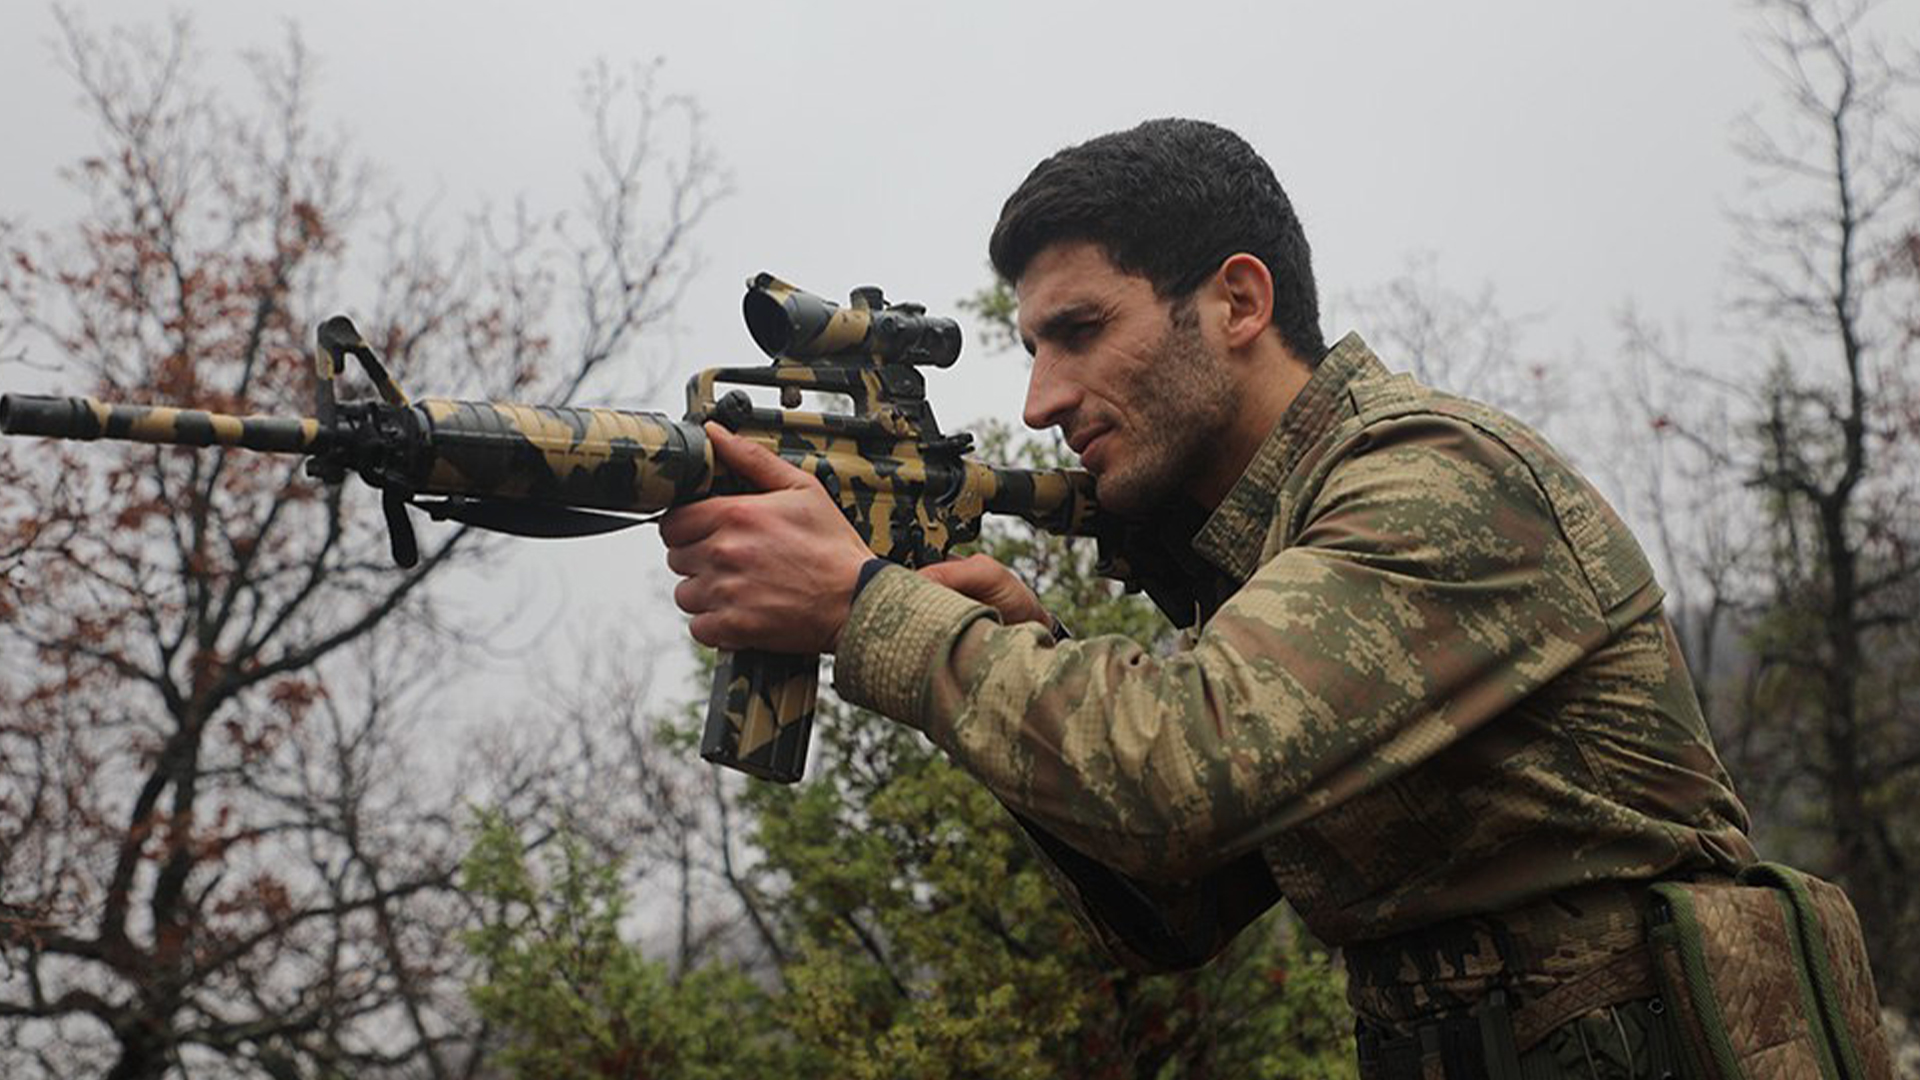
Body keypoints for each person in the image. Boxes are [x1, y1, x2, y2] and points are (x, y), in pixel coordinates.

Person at [661, 119, 1764, 1078]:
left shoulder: (1432, 479)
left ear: (1238, 301)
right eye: (1033, 348)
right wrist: (1011, 641)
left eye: (1081, 331)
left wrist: (868, 612)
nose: (1040, 400)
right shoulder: (1271, 547)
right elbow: (1182, 906)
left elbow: (1179, 776)